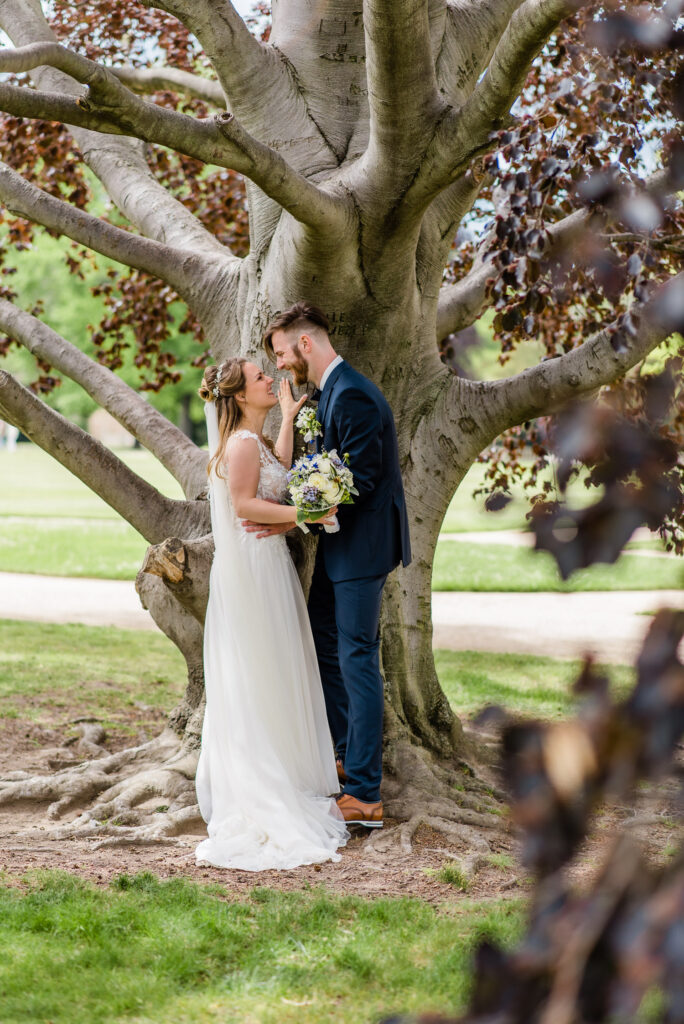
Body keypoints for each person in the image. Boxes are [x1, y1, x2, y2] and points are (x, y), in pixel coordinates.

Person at [244, 302, 411, 830]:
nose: (278, 364)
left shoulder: (353, 393)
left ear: (305, 344)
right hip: (338, 546)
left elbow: (358, 482)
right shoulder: (325, 393)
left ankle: (364, 793)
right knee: (324, 643)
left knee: (357, 658)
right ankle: (343, 754)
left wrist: (295, 519)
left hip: (362, 549)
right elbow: (322, 471)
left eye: (280, 353)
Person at [195, 357, 348, 870]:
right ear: (240, 395)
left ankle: (286, 771)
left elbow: (277, 472)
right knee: (259, 671)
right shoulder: (240, 444)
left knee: (275, 670)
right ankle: (262, 787)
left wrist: (286, 418)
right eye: (259, 377)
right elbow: (244, 504)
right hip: (253, 573)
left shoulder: (253, 441)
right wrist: (307, 513)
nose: (269, 379)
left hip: (269, 565)